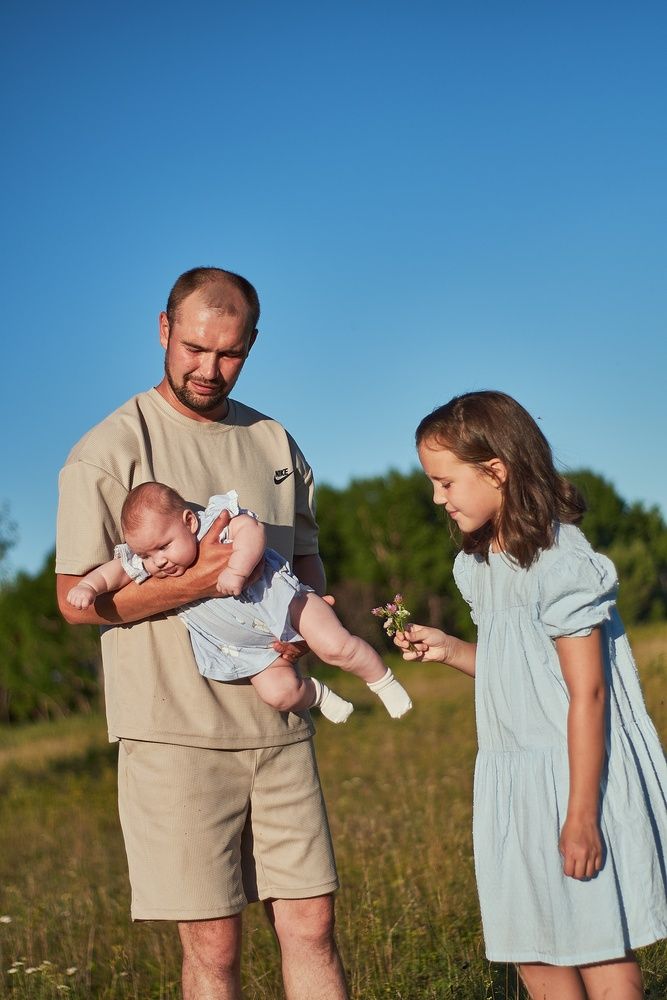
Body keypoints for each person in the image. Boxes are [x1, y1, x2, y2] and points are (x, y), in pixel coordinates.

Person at [56, 267, 350, 1000]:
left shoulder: (275, 441)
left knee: (312, 927)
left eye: (229, 354)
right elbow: (73, 601)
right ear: (163, 329)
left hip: (280, 726)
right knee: (214, 952)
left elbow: (306, 564)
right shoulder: (107, 450)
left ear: (250, 344)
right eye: (193, 347)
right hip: (175, 737)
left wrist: (311, 620)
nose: (208, 369)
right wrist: (204, 576)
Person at [394, 390, 667, 1000]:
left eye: (444, 482)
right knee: (535, 954)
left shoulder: (559, 560)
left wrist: (580, 815)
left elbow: (588, 694)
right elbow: (520, 669)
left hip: (571, 777)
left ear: (496, 470)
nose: (438, 499)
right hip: (513, 780)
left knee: (597, 946)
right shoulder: (483, 564)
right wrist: (451, 649)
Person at [67, 481, 412, 724]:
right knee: (279, 694)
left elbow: (252, 531)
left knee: (336, 647)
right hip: (249, 650)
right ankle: (318, 695)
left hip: (286, 603)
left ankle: (382, 681)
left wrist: (237, 568)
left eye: (163, 546)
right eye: (145, 553)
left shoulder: (212, 525)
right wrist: (89, 586)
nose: (156, 561)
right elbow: (114, 571)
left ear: (188, 521)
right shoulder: (150, 562)